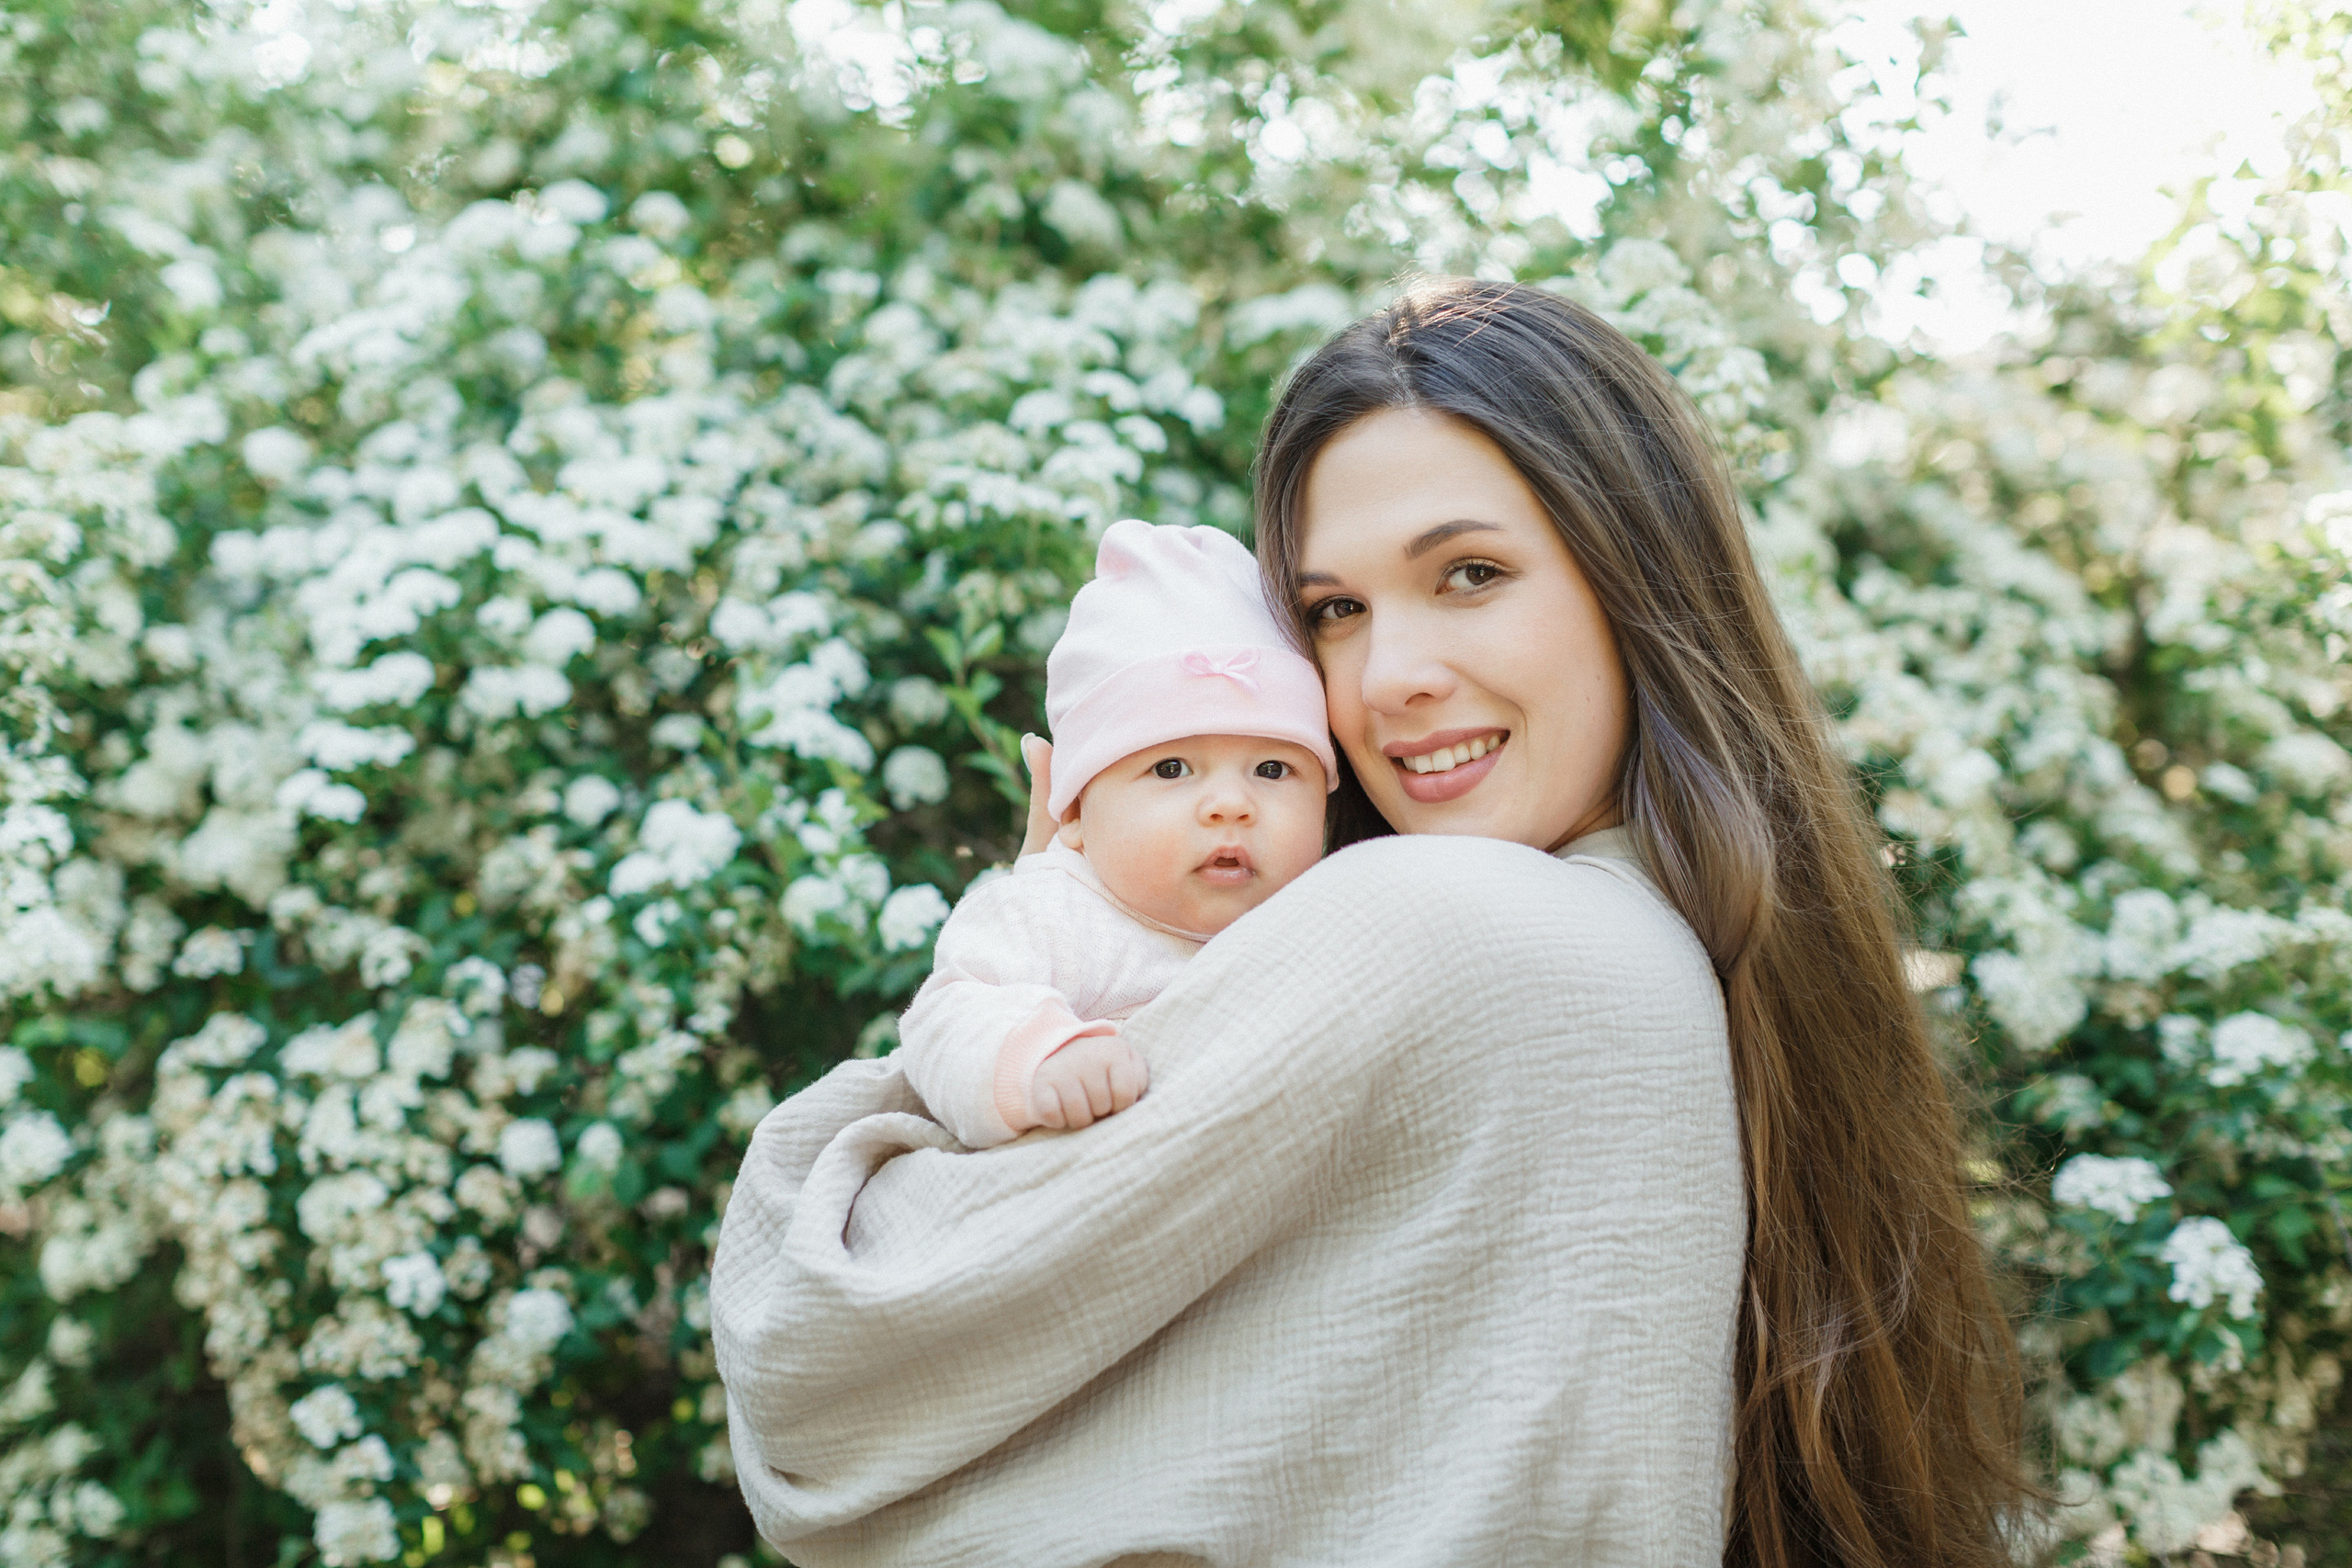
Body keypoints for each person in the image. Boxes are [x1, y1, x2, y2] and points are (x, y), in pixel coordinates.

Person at [711, 279, 2033, 1568]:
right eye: (1335, 611)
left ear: (1637, 581)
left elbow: (816, 1359)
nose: (1389, 679)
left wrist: (1040, 929)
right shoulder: (1689, 959)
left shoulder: (1438, 927)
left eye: (1470, 572)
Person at [895, 518, 1333, 1148]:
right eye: (1171, 768)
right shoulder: (1053, 915)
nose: (1231, 805)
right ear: (1073, 812)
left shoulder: (1321, 916)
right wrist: (1044, 1059)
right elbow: (948, 1016)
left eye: (1272, 769)